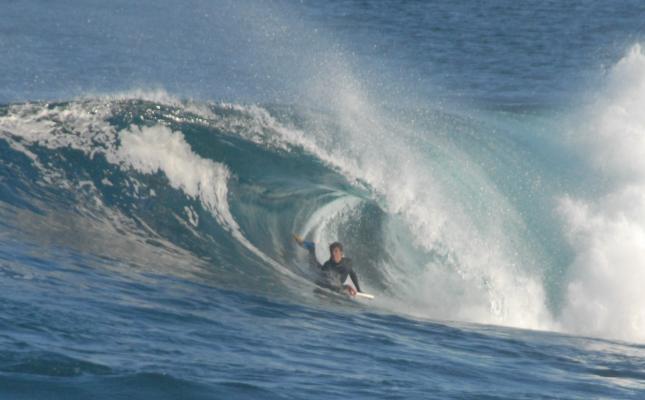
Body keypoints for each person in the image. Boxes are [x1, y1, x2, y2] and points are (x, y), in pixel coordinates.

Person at [293, 234, 362, 297]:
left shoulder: (348, 262)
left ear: (341, 253)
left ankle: (311, 247)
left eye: (335, 251)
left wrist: (358, 289)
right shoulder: (328, 266)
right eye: (331, 252)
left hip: (329, 276)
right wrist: (345, 287)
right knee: (313, 263)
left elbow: (352, 274)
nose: (333, 254)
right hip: (319, 272)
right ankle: (311, 248)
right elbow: (329, 283)